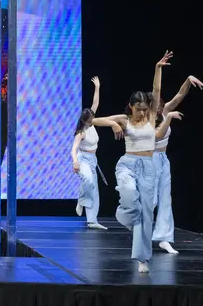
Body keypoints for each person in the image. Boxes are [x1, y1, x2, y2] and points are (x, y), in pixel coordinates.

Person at [93, 51, 178, 273]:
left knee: (146, 213)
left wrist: (158, 67)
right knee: (130, 196)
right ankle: (124, 214)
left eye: (144, 108)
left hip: (148, 167)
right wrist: (112, 124)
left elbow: (157, 91)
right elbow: (93, 120)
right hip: (128, 164)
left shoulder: (151, 117)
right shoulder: (125, 119)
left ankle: (142, 259)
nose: (141, 112)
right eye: (138, 108)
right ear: (130, 107)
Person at [151, 75, 203, 254]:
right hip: (149, 161)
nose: (159, 108)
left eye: (161, 105)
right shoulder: (147, 118)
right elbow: (157, 135)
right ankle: (138, 228)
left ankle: (164, 238)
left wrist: (188, 80)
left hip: (163, 160)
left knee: (166, 200)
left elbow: (180, 95)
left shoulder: (166, 110)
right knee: (150, 201)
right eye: (156, 105)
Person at [70, 76, 107, 230]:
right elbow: (73, 149)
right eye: (90, 119)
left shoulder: (92, 125)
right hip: (82, 159)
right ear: (85, 120)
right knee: (89, 182)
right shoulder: (81, 132)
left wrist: (97, 87)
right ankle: (81, 200)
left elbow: (95, 103)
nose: (93, 120)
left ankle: (92, 220)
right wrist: (75, 162)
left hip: (93, 159)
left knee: (94, 189)